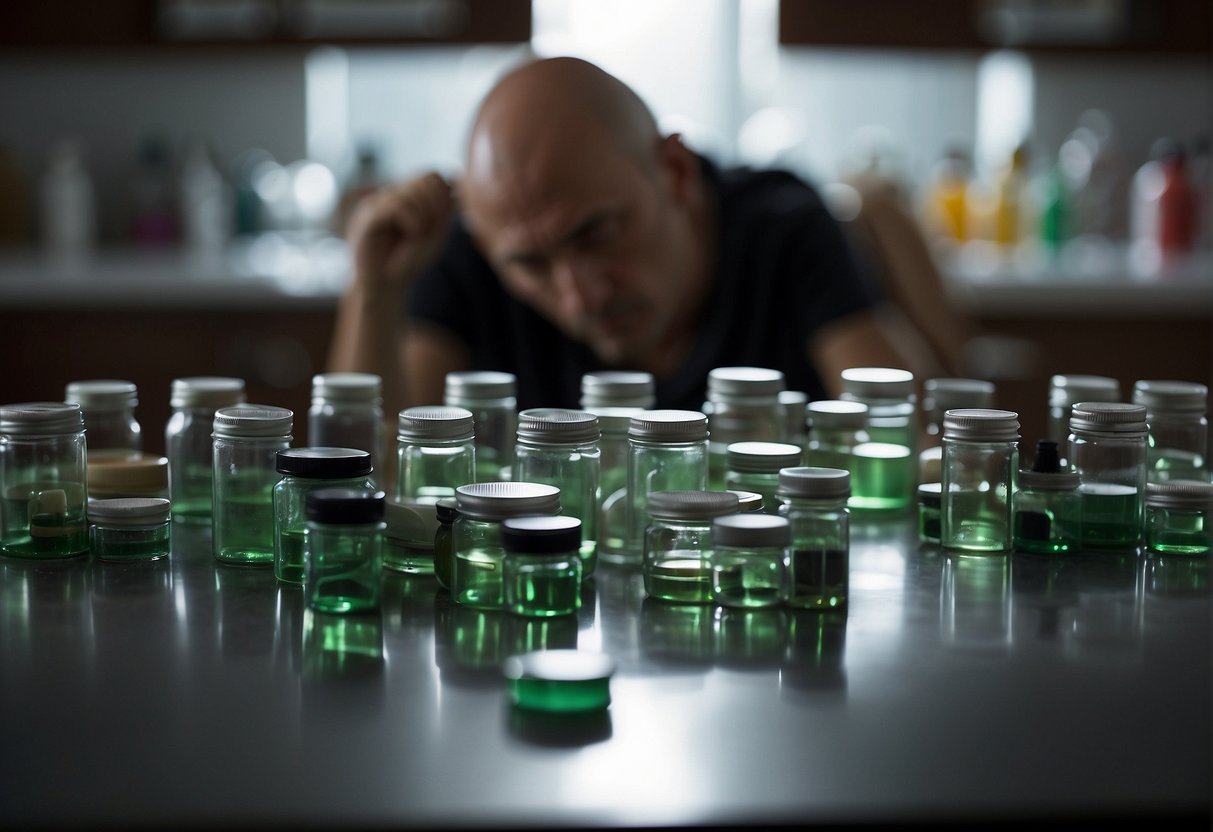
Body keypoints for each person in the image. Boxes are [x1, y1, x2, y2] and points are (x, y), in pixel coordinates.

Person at [329, 56, 926, 416]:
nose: (581, 295)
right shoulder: (471, 247)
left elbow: (905, 430)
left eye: (596, 235)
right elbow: (374, 476)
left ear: (675, 173)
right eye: (532, 267)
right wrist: (375, 289)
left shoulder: (782, 225)